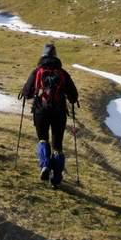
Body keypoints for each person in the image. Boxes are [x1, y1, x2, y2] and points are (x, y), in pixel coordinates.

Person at [20, 43, 78, 187]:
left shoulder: (37, 71)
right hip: (59, 112)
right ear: (56, 56)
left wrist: (30, 93)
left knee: (43, 140)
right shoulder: (63, 73)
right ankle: (56, 178)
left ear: (43, 55)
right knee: (57, 145)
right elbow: (74, 96)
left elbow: (27, 93)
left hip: (41, 110)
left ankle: (45, 165)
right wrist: (70, 99)